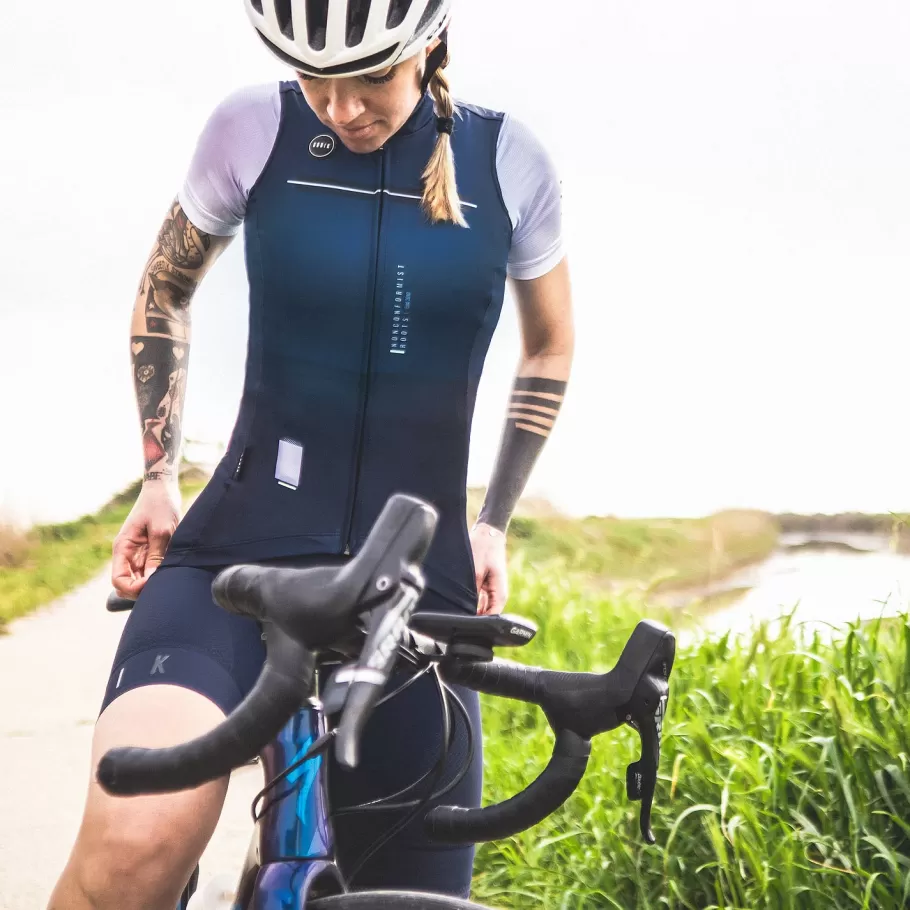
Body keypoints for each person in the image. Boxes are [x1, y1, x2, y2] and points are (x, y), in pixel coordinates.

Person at [48, 0, 574, 906]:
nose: (341, 107)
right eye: (314, 79)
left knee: (413, 895)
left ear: (429, 46)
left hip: (416, 582)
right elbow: (164, 291)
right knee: (137, 836)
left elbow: (550, 345)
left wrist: (492, 521)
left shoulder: (508, 160)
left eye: (369, 77)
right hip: (234, 562)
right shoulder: (250, 128)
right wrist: (159, 477)